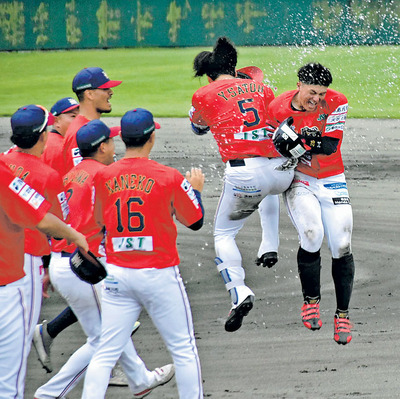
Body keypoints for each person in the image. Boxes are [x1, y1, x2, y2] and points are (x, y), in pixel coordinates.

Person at [82, 108, 205, 398]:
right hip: (159, 273)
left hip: (117, 275)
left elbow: (99, 221)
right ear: (151, 138)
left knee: (104, 354)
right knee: (183, 350)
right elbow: (195, 221)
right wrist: (195, 190)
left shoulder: (103, 176)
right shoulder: (168, 176)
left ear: (123, 139)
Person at [34, 120, 151, 399]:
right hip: (86, 265)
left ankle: (141, 379)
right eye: (111, 141)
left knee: (108, 334)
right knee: (105, 337)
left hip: (64, 262)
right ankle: (51, 393)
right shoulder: (106, 176)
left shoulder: (70, 176)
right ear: (102, 147)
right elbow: (116, 223)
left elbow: (59, 221)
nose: (115, 145)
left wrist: (50, 265)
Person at [189, 36, 296, 332]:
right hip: (282, 171)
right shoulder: (262, 88)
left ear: (209, 74)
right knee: (269, 189)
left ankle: (239, 292)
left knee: (223, 234)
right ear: (235, 68)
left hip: (245, 177)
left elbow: (198, 127)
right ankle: (269, 244)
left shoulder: (204, 94)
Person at [268, 62, 355, 345]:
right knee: (312, 234)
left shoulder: (337, 102)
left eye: (322, 93)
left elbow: (330, 146)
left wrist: (300, 141)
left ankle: (342, 314)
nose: (317, 99)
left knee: (342, 243)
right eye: (312, 92)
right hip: (301, 179)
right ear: (299, 85)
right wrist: (284, 146)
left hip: (332, 177)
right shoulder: (277, 109)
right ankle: (311, 300)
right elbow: (274, 148)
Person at [0, 159, 88, 399]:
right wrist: (74, 235)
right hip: (8, 282)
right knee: (8, 385)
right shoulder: (4, 173)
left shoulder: (7, 163)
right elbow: (44, 218)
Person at [2, 104, 71, 389]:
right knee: (21, 333)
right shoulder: (47, 175)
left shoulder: (3, 161)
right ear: (43, 136)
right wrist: (49, 264)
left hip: (7, 253)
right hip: (27, 261)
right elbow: (57, 223)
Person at [62, 67, 121, 175]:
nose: (111, 92)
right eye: (105, 89)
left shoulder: (89, 126)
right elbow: (80, 179)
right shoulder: (79, 133)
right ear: (89, 94)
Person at [42, 96, 80, 171]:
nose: (78, 120)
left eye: (79, 116)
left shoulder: (45, 139)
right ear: (56, 121)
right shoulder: (62, 147)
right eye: (73, 116)